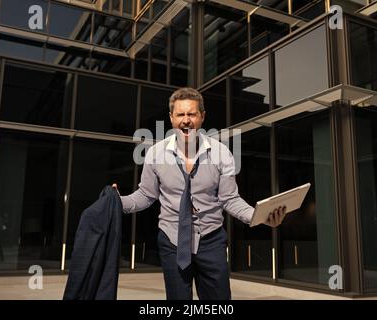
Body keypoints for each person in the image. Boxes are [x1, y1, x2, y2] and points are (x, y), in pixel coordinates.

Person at [113, 87, 287, 300]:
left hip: (211, 241)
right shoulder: (155, 154)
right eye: (180, 114)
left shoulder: (221, 153)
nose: (186, 120)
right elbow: (146, 195)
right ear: (171, 118)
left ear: (202, 117)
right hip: (172, 240)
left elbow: (230, 199)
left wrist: (259, 217)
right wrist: (116, 201)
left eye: (192, 114)